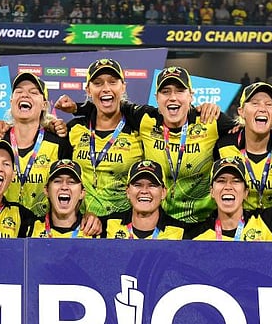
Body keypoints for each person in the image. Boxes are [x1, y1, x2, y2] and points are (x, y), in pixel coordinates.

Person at [57, 66, 229, 224]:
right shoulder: (146, 119)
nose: (173, 97)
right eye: (165, 91)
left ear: (191, 95)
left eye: (180, 91)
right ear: (157, 98)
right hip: (157, 224)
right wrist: (77, 108)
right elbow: (110, 104)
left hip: (203, 223)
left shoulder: (212, 121)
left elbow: (244, 130)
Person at [62, 58, 143, 217]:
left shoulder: (139, 131)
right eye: (98, 83)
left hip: (124, 228)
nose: (106, 88)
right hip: (83, 225)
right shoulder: (74, 128)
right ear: (88, 90)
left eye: (113, 82)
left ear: (123, 87)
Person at [0, 71, 68, 216]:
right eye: (19, 91)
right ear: (11, 101)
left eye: (33, 92)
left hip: (43, 230)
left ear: (44, 105)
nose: (25, 95)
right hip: (1, 228)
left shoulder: (58, 143)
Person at [216, 81, 272, 210]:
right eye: (255, 103)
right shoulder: (223, 146)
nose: (262, 108)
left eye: (269, 104)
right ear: (241, 111)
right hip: (240, 226)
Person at [101, 160, 190, 240]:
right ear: (127, 191)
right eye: (137, 185)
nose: (144, 191)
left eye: (152, 185)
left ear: (163, 192)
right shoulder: (108, 223)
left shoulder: (181, 231)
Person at [32, 159, 93, 238]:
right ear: (46, 190)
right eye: (57, 181)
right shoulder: (30, 227)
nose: (64, 187)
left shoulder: (94, 230)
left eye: (71, 182)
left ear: (82, 193)